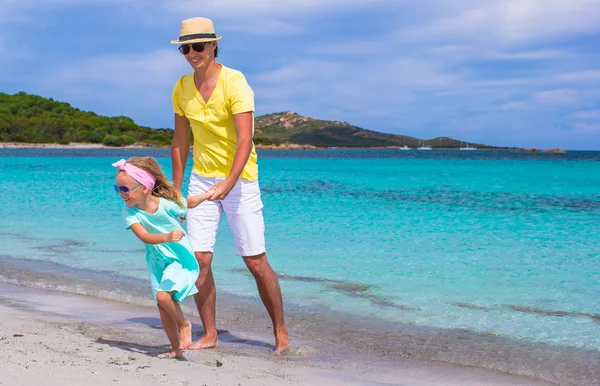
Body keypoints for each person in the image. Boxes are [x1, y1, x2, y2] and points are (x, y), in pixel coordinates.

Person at [169, 17, 289, 354]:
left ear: (213, 46)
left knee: (255, 260)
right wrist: (175, 192)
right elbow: (180, 143)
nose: (192, 53)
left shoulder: (235, 82)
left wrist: (230, 181)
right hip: (201, 178)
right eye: (185, 47)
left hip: (241, 179)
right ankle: (209, 334)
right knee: (199, 260)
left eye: (198, 46)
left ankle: (280, 333)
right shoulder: (181, 87)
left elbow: (245, 140)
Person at [112, 157, 212, 358]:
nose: (121, 194)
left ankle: (184, 324)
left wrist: (210, 194)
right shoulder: (129, 212)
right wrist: (165, 236)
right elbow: (144, 237)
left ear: (144, 188)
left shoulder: (164, 204)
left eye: (125, 189)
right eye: (118, 189)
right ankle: (176, 349)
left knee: (163, 296)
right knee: (162, 306)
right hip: (157, 261)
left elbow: (188, 203)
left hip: (177, 256)